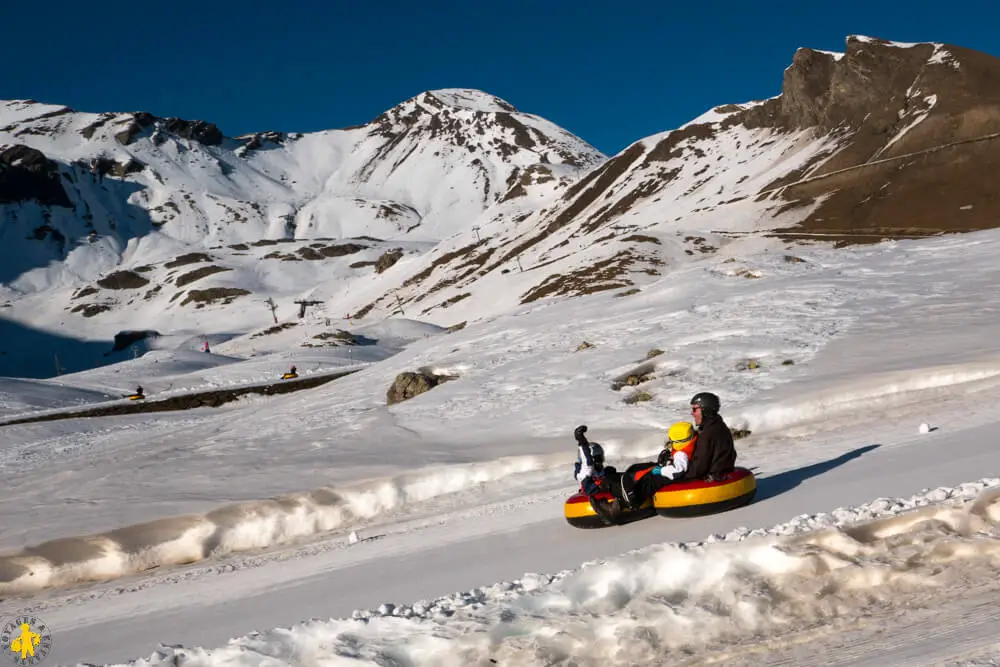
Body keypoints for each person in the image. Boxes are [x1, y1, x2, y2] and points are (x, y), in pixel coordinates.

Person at [686, 391, 737, 480]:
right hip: (718, 472)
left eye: (695, 409)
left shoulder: (707, 434)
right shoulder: (718, 425)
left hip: (710, 477)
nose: (692, 413)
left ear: (706, 410)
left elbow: (698, 468)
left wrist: (675, 473)